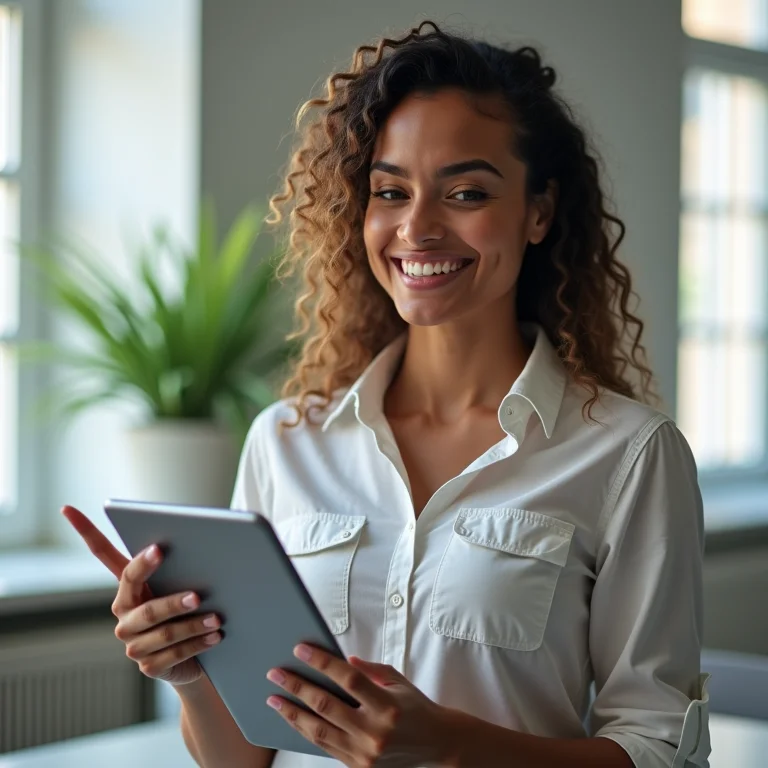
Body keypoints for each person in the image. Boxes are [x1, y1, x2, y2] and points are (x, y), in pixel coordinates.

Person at [64, 20, 711, 768]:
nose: (418, 228)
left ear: (538, 211)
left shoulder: (628, 455)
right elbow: (241, 759)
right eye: (389, 191)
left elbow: (663, 750)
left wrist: (452, 747)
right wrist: (190, 676)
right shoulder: (286, 441)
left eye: (466, 192)